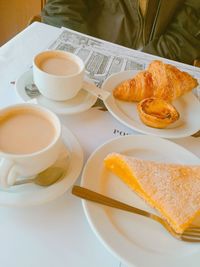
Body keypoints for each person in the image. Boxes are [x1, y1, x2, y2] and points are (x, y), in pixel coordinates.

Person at [41, 0, 200, 66]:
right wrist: (82, 60)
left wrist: (141, 70)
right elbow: (61, 9)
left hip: (160, 68)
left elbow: (186, 33)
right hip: (86, 65)